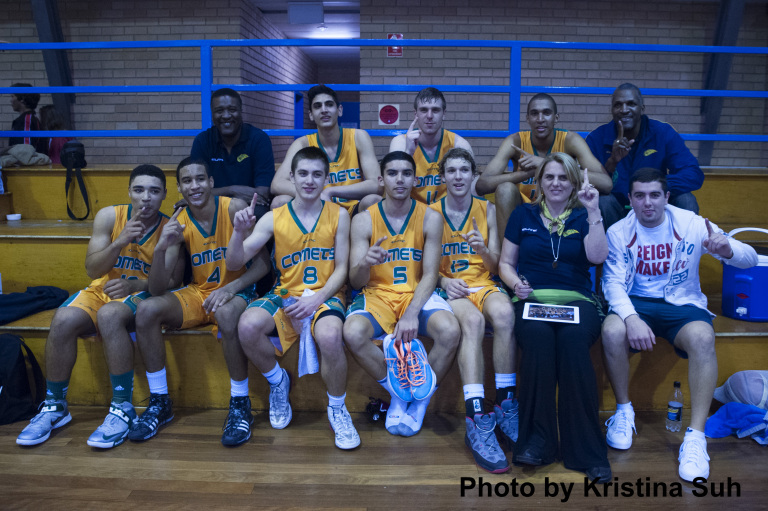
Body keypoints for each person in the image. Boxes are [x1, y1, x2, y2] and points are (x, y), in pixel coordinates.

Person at [600, 167, 757, 482]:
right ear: (629, 199)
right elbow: (612, 284)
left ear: (666, 197)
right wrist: (631, 318)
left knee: (703, 337)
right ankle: (623, 411)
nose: (648, 203)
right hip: (637, 302)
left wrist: (729, 250)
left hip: (681, 304)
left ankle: (696, 437)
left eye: (655, 195)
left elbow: (750, 258)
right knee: (611, 329)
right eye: (640, 196)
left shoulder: (692, 224)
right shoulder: (618, 231)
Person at [16, 165, 178, 448]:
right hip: (103, 288)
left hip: (140, 293)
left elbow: (172, 281)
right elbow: (92, 269)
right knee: (63, 318)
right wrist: (120, 240)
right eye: (139, 190)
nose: (146, 198)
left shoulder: (171, 227)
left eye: (154, 191)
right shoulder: (109, 216)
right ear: (129, 191)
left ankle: (122, 408)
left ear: (164, 195)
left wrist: (135, 286)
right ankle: (55, 406)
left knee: (110, 314)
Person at [129, 157, 269, 446]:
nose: (195, 186)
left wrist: (232, 288)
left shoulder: (233, 208)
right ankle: (159, 402)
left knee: (229, 315)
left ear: (211, 182)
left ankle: (240, 403)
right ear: (179, 188)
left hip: (238, 292)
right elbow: (156, 289)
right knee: (146, 310)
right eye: (187, 181)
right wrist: (160, 249)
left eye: (200, 179)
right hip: (200, 292)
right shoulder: (178, 222)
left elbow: (263, 266)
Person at [227, 146, 359, 449]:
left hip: (328, 294)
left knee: (329, 334)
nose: (310, 180)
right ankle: (278, 380)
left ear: (327, 178)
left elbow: (343, 269)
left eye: (317, 174)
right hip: (285, 292)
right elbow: (234, 263)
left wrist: (319, 298)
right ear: (292, 177)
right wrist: (237, 233)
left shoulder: (339, 215)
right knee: (246, 326)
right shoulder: (274, 218)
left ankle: (337, 407)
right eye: (303, 173)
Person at [498, 152, 611, 482]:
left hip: (578, 302)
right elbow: (506, 263)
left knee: (575, 348)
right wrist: (516, 284)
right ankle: (537, 443)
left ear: (574, 182)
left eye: (564, 177)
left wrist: (593, 211)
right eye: (550, 177)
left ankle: (587, 451)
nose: (556, 183)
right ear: (540, 182)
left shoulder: (585, 214)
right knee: (538, 346)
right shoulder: (523, 214)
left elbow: (597, 256)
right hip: (532, 300)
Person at [343, 151, 460, 437]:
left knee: (450, 331)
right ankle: (399, 392)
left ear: (415, 179)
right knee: (352, 333)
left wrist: (411, 314)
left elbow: (431, 274)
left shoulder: (430, 218)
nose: (400, 179)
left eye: (406, 173)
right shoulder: (363, 220)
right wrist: (364, 262)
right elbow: (355, 281)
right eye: (393, 173)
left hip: (414, 293)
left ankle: (419, 403)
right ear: (381, 179)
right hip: (378, 294)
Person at [430, 148, 517, 474]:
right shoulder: (431, 212)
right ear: (442, 177)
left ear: (473, 176)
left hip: (482, 282)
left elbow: (496, 264)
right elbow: (420, 267)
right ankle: (476, 414)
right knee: (473, 321)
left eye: (463, 170)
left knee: (506, 314)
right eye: (450, 171)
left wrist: (483, 249)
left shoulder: (488, 209)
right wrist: (442, 278)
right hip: (452, 289)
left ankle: (507, 405)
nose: (457, 177)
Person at [476, 93, 612, 241]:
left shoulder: (570, 140)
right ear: (527, 118)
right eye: (534, 114)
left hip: (563, 208)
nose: (540, 119)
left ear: (556, 118)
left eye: (546, 113)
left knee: (592, 198)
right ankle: (506, 260)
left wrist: (544, 164)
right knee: (505, 190)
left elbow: (606, 184)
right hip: (527, 208)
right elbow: (482, 185)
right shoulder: (516, 141)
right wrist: (526, 174)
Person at [586, 83, 705, 229]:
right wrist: (612, 163)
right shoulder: (597, 138)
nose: (624, 110)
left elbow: (693, 174)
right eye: (618, 105)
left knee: (686, 200)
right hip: (617, 209)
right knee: (602, 202)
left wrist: (654, 187)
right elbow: (586, 182)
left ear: (642, 109)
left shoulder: (662, 133)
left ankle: (680, 251)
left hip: (654, 207)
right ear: (612, 110)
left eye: (631, 104)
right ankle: (609, 251)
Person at [269, 84, 381, 214]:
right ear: (311, 115)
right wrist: (316, 194)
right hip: (317, 207)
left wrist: (331, 191)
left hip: (354, 206)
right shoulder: (303, 143)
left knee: (374, 200)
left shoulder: (358, 137)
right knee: (280, 202)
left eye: (329, 104)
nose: (324, 110)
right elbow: (277, 184)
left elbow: (376, 184)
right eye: (317, 106)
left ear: (339, 110)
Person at [190, 88, 275, 219]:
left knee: (258, 215)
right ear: (212, 115)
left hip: (250, 206)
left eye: (232, 110)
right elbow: (196, 189)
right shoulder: (203, 141)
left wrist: (213, 193)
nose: (226, 116)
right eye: (219, 111)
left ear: (241, 112)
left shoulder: (258, 139)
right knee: (182, 214)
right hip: (213, 204)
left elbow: (262, 193)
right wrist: (233, 190)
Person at [389, 87, 473, 205]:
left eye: (435, 110)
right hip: (410, 212)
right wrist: (408, 153)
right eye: (424, 110)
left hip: (447, 213)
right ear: (415, 114)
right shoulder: (400, 143)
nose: (429, 116)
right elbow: (392, 187)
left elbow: (469, 190)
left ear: (444, 114)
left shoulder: (458, 144)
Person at [4, 83, 47, 156]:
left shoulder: (27, 120)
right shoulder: (29, 118)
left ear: (22, 99)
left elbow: (25, 151)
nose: (10, 100)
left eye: (12, 96)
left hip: (26, 166)